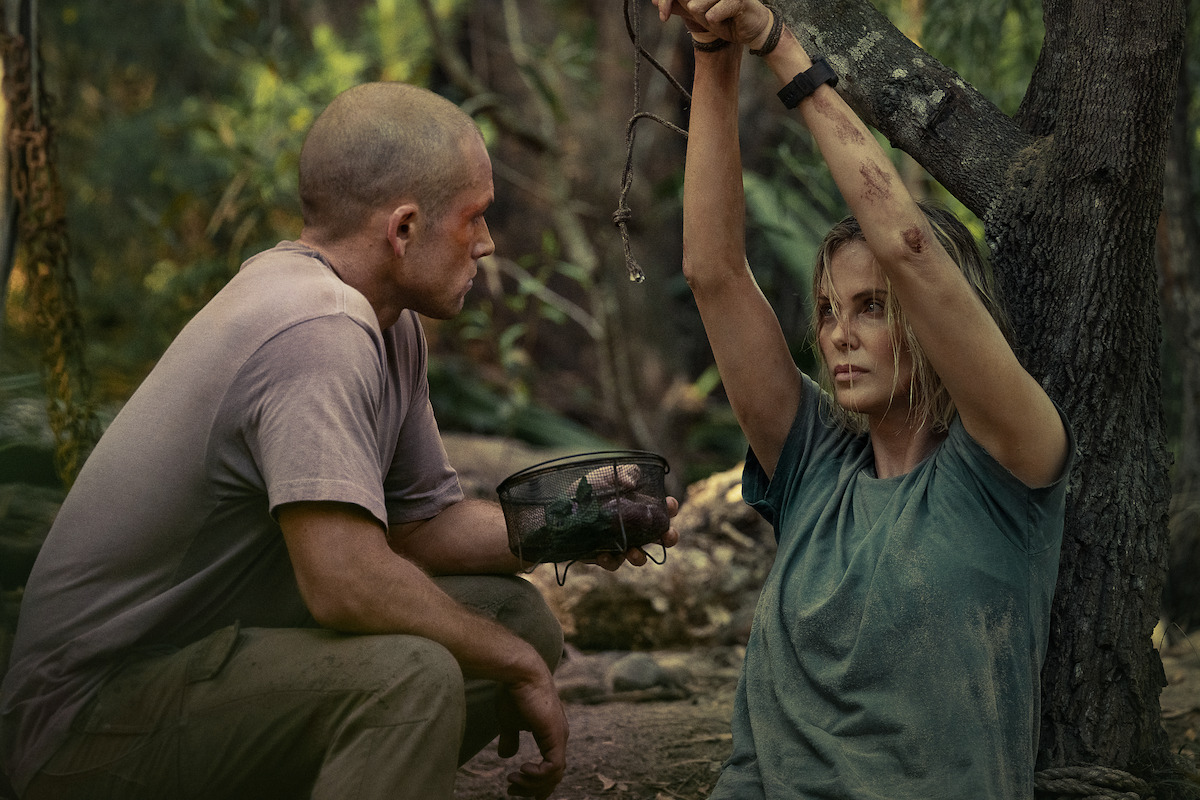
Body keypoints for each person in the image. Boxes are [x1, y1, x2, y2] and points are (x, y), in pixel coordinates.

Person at [0, 81, 678, 800]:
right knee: (411, 681)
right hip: (82, 725)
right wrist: (512, 663)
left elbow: (417, 528)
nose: (487, 242)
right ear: (405, 229)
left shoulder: (388, 325)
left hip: (202, 654)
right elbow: (343, 582)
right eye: (475, 218)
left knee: (516, 618)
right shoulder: (316, 328)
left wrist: (573, 518)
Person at [653, 1, 1073, 797]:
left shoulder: (1010, 464)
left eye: (872, 307)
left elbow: (909, 248)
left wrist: (778, 44)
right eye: (827, 311)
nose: (839, 334)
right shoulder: (812, 462)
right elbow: (712, 273)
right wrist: (711, 46)